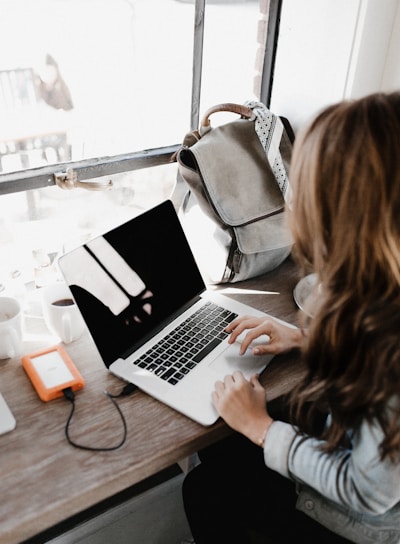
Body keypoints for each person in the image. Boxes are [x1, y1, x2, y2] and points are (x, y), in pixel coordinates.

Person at [181, 92, 400, 544]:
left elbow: (367, 491)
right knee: (222, 455)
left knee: (204, 488)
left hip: (361, 525)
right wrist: (305, 340)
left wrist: (261, 428)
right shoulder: (380, 300)